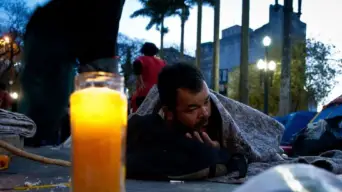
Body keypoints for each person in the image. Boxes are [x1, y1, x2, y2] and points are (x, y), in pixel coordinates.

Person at [20, 0, 125, 146]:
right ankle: (27, 145)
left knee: (59, 101)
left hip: (87, 46)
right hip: (48, 31)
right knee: (45, 102)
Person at [127, 62, 249, 181]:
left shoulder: (219, 113)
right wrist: (212, 154)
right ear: (169, 113)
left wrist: (221, 150)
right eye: (193, 109)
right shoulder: (147, 128)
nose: (205, 113)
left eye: (206, 102)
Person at [131, 42, 166, 112]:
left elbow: (137, 65)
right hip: (158, 95)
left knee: (139, 116)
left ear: (143, 50)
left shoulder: (140, 59)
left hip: (143, 93)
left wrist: (140, 80)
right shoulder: (162, 62)